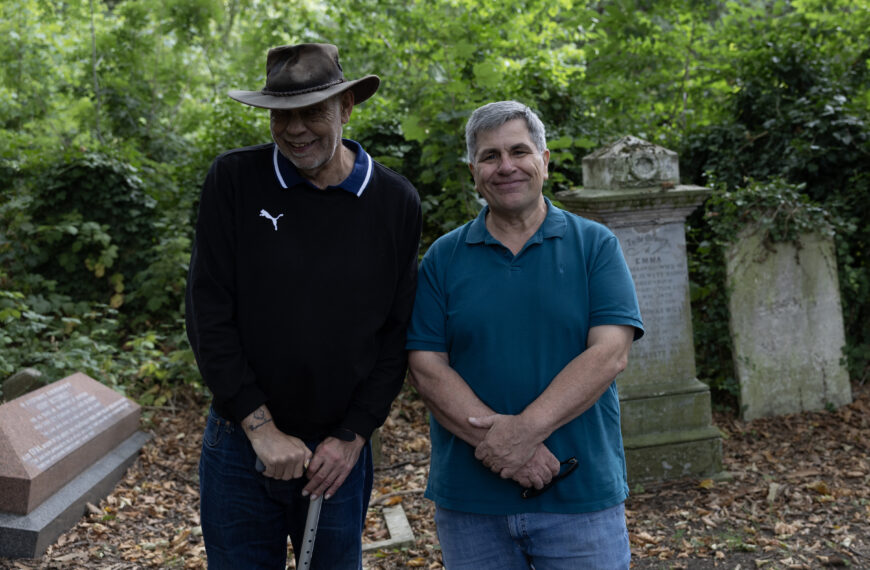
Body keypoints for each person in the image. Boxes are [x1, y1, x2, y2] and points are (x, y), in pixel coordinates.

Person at [185, 43, 421, 569]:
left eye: (311, 112)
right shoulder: (235, 181)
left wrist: (356, 433)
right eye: (281, 114)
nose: (295, 129)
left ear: (346, 109)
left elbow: (397, 330)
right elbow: (208, 311)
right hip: (241, 447)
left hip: (337, 454)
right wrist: (259, 426)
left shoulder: (394, 201)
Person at [406, 101, 644, 569]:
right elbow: (426, 368)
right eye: (490, 157)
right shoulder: (443, 258)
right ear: (473, 172)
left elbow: (610, 354)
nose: (506, 166)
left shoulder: (595, 245)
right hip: (471, 504)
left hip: (580, 495)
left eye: (519, 151)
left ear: (545, 160)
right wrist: (508, 450)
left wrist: (522, 434)